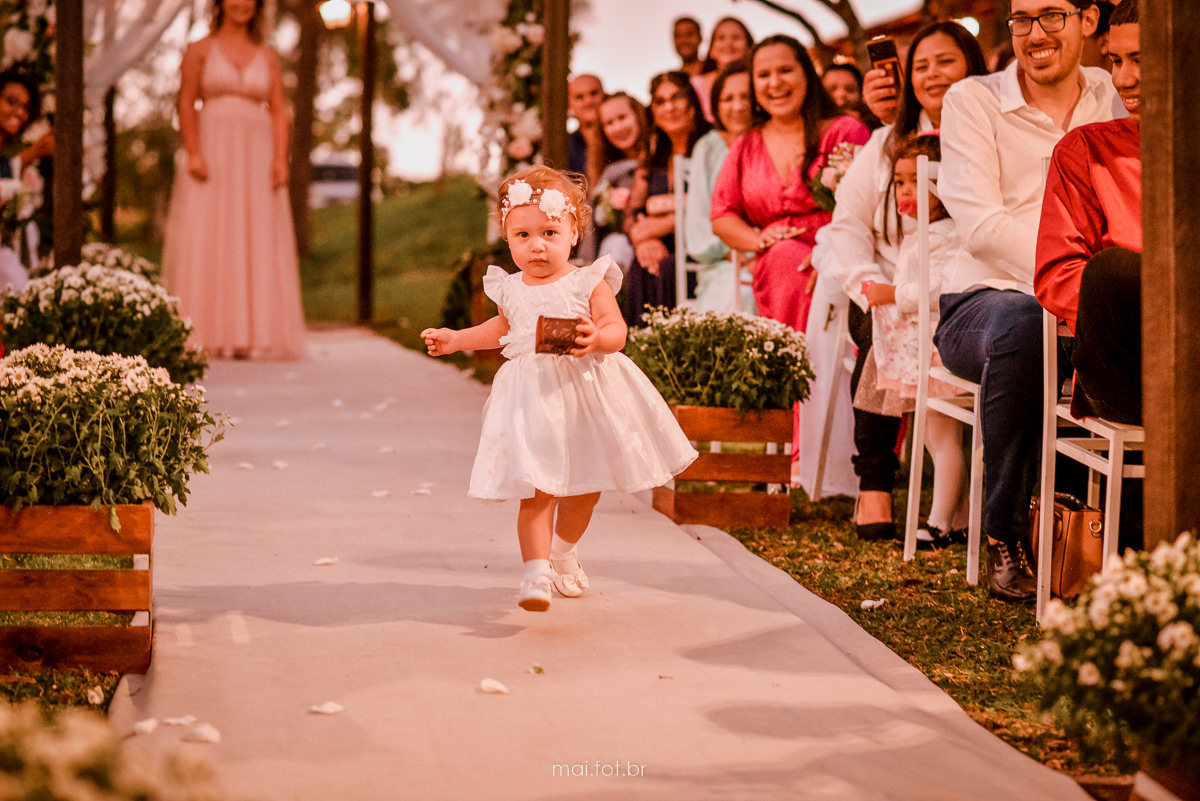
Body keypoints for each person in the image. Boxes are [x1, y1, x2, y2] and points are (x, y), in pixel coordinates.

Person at [420, 166, 697, 611]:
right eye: (523, 235)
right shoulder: (509, 287)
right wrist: (458, 339)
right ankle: (536, 572)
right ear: (508, 239)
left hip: (584, 397)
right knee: (538, 487)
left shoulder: (587, 280)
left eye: (549, 231)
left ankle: (564, 549)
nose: (537, 245)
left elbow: (616, 331)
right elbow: (501, 328)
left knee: (584, 490)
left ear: (573, 232)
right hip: (533, 403)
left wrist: (596, 338)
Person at [933, 0, 1124, 601]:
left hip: (1095, 302)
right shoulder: (973, 100)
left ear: (1088, 20)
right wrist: (1082, 280)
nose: (1033, 34)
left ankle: (1127, 539)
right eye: (1021, 20)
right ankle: (1006, 535)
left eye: (1051, 17)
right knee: (1022, 324)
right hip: (984, 301)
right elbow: (982, 226)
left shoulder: (1116, 90)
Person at [821, 21, 987, 542]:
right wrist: (871, 283)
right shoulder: (884, 142)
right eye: (922, 65)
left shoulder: (989, 135)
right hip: (892, 277)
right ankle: (875, 480)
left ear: (974, 70)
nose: (933, 74)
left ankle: (957, 508)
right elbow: (845, 224)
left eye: (947, 62)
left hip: (961, 282)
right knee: (873, 318)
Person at [162, 0, 306, 360]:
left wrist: (279, 159)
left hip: (256, 156)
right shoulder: (199, 50)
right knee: (211, 233)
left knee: (253, 234)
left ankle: (252, 334)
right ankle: (206, 333)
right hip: (212, 151)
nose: (241, 3)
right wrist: (193, 151)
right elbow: (185, 101)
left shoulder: (267, 55)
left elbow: (278, 111)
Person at [711, 34, 869, 335]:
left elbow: (868, 209)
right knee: (783, 258)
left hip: (842, 259)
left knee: (788, 261)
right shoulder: (745, 146)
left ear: (806, 74)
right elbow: (722, 215)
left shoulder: (845, 132)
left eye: (785, 70)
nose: (774, 83)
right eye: (763, 75)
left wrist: (829, 249)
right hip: (778, 268)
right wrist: (759, 241)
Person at [855, 133, 969, 547]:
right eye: (900, 182)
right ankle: (956, 518)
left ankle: (941, 521)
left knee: (941, 437)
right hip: (921, 345)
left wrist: (892, 294)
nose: (905, 190)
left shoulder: (945, 235)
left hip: (938, 346)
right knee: (934, 437)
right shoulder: (924, 232)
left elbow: (939, 290)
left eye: (916, 181)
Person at [1036, 0, 1141, 425]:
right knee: (1112, 270)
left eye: (1139, 60)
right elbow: (1057, 275)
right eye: (1115, 61)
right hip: (1127, 361)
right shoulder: (1086, 150)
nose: (1123, 78)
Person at [621, 71, 710, 326]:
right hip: (660, 247)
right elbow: (631, 216)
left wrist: (660, 223)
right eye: (660, 101)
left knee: (669, 266)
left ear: (691, 102)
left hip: (701, 243)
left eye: (676, 97)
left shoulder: (708, 146)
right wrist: (643, 242)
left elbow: (711, 202)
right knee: (643, 266)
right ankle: (643, 353)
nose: (668, 107)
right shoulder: (652, 154)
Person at [684, 60, 755, 312]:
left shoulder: (768, 140)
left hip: (770, 257)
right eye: (728, 99)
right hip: (723, 262)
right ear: (716, 104)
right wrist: (739, 256)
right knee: (743, 294)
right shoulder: (708, 148)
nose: (738, 106)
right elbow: (698, 221)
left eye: (746, 96)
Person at [585, 91, 651, 269]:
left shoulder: (657, 161)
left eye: (622, 117)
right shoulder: (608, 174)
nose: (618, 127)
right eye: (609, 123)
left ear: (638, 116)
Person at [0, 69, 51, 292]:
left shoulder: (12, 151)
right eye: (11, 102)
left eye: (25, 107)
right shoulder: (19, 156)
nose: (19, 112)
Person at [692, 17, 754, 122]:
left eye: (736, 38)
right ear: (711, 49)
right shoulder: (695, 85)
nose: (728, 44)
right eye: (721, 38)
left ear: (749, 47)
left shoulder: (759, 82)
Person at [566, 74, 618, 193]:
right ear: (570, 104)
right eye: (579, 97)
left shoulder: (620, 137)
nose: (588, 101)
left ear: (604, 95)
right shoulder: (566, 145)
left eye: (594, 93)